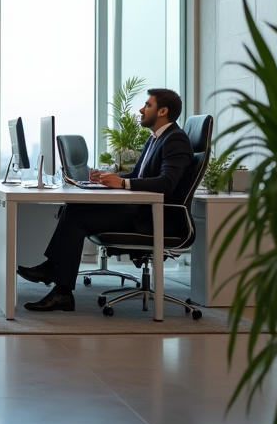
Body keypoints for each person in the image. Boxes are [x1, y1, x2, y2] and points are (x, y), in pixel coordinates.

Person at [17, 88, 195, 312]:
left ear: (163, 111)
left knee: (78, 218)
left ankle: (61, 290)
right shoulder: (156, 138)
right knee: (72, 207)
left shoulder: (175, 140)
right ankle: (51, 269)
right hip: (139, 209)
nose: (141, 109)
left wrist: (122, 184)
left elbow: (166, 183)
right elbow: (138, 176)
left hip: (153, 218)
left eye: (147, 105)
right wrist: (109, 179)